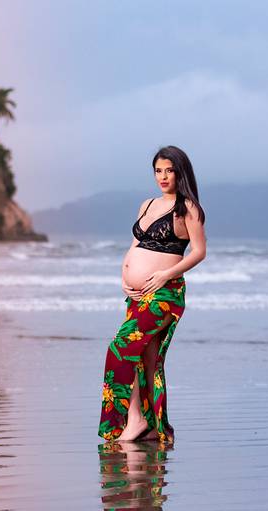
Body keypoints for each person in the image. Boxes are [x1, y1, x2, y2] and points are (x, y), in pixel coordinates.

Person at [98, 145, 207, 443]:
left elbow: (199, 252)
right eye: (158, 170)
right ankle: (153, 427)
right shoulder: (146, 205)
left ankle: (135, 420)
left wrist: (164, 275)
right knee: (146, 358)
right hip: (137, 293)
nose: (163, 176)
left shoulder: (188, 209)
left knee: (120, 348)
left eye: (169, 170)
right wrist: (124, 273)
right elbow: (135, 245)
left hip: (164, 293)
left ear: (180, 172)